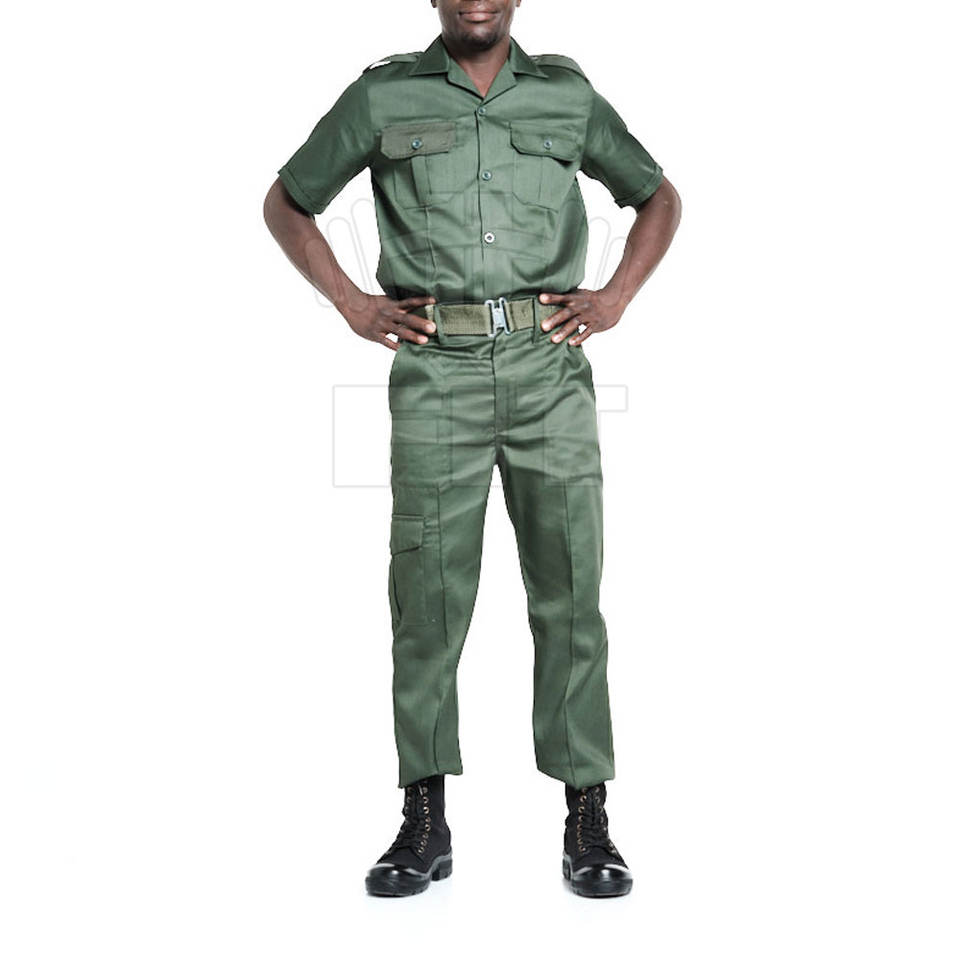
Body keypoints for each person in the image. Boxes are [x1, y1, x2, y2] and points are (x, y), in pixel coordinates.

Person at [263, 0, 681, 898]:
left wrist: (614, 298)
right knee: (427, 595)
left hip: (547, 367)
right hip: (435, 372)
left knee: (570, 588)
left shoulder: (566, 96)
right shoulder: (382, 98)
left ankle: (587, 812)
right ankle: (424, 817)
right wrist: (351, 302)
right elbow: (289, 200)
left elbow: (657, 194)